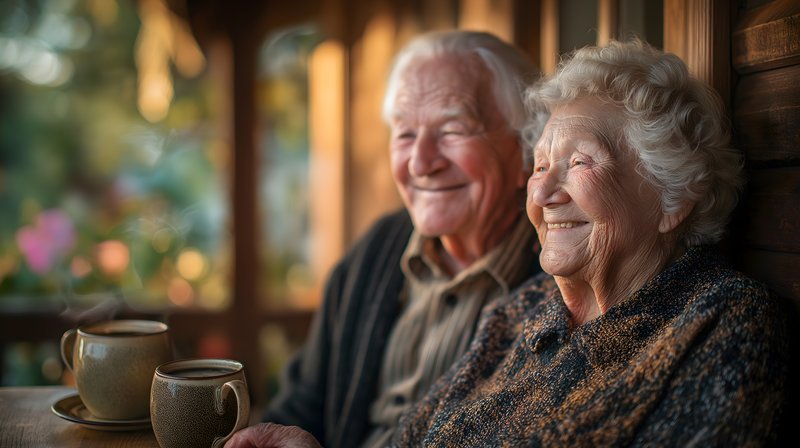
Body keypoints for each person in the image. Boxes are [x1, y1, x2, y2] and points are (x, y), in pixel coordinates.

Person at [391, 39, 788, 446]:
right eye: (540, 165)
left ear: (674, 195)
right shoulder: (519, 312)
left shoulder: (721, 321)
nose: (542, 193)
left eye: (579, 161)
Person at [225, 30, 541, 448]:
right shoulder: (377, 250)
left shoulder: (558, 276)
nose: (421, 163)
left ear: (525, 150)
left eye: (452, 130)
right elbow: (304, 405)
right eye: (405, 134)